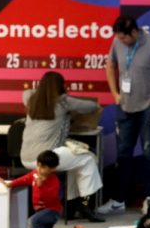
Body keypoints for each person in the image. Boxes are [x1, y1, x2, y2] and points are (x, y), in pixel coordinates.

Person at [101, 16, 150, 214]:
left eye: (124, 38)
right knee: (123, 153)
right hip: (125, 106)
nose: (121, 42)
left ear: (134, 32)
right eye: (119, 38)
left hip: (149, 106)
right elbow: (110, 65)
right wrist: (115, 93)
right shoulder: (117, 42)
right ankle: (119, 199)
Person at [21, 71, 104, 220]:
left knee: (75, 163)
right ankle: (85, 204)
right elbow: (92, 106)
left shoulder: (30, 98)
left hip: (25, 158)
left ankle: (71, 206)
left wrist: (42, 92)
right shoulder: (63, 102)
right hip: (47, 157)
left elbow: (27, 92)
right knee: (88, 158)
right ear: (60, 86)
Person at [0, 151, 82, 228]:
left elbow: (51, 197)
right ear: (39, 165)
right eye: (46, 168)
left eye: (51, 168)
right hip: (41, 211)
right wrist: (11, 184)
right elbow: (24, 180)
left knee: (33, 222)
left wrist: (41, 185)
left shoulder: (53, 180)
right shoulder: (34, 174)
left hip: (52, 211)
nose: (52, 170)